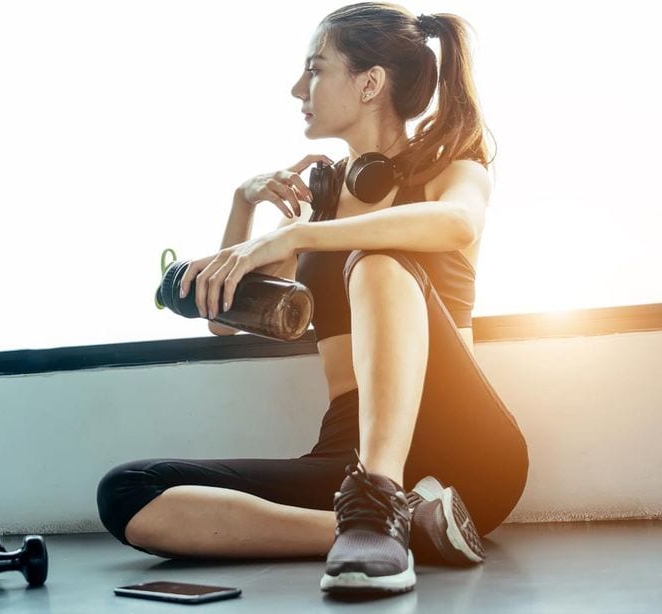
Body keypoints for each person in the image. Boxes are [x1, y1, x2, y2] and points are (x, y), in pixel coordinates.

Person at [97, 1, 528, 596]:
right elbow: (224, 322)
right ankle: (404, 527)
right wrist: (243, 206)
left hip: (464, 446)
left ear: (370, 82)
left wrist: (295, 234)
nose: (298, 86)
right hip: (345, 450)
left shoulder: (450, 169)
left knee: (376, 262)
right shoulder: (316, 208)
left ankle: (379, 504)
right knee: (127, 491)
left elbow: (458, 224)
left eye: (316, 68)